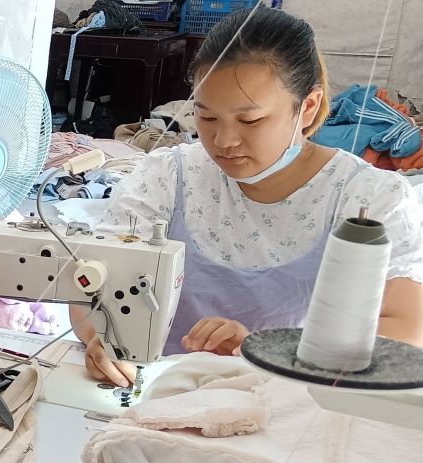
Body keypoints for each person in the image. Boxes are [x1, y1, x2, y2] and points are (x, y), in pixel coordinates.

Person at [80, 8, 423, 386]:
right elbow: (93, 290)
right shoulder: (167, 177)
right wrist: (103, 341)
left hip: (295, 393)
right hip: (160, 386)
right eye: (207, 117)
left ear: (307, 108)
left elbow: (407, 329)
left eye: (250, 120)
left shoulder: (371, 198)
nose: (224, 141)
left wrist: (266, 352)